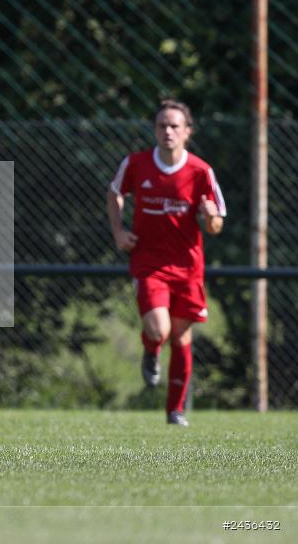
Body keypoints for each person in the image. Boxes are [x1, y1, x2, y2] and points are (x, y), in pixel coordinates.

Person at [107, 99, 225, 426]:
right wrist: (119, 231)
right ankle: (151, 347)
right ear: (154, 130)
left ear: (187, 132)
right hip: (149, 262)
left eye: (175, 126)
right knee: (160, 328)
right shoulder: (136, 163)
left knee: (182, 336)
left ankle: (175, 411)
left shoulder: (201, 171)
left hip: (188, 267)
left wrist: (210, 217)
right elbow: (115, 192)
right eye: (162, 125)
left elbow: (216, 225)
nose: (168, 131)